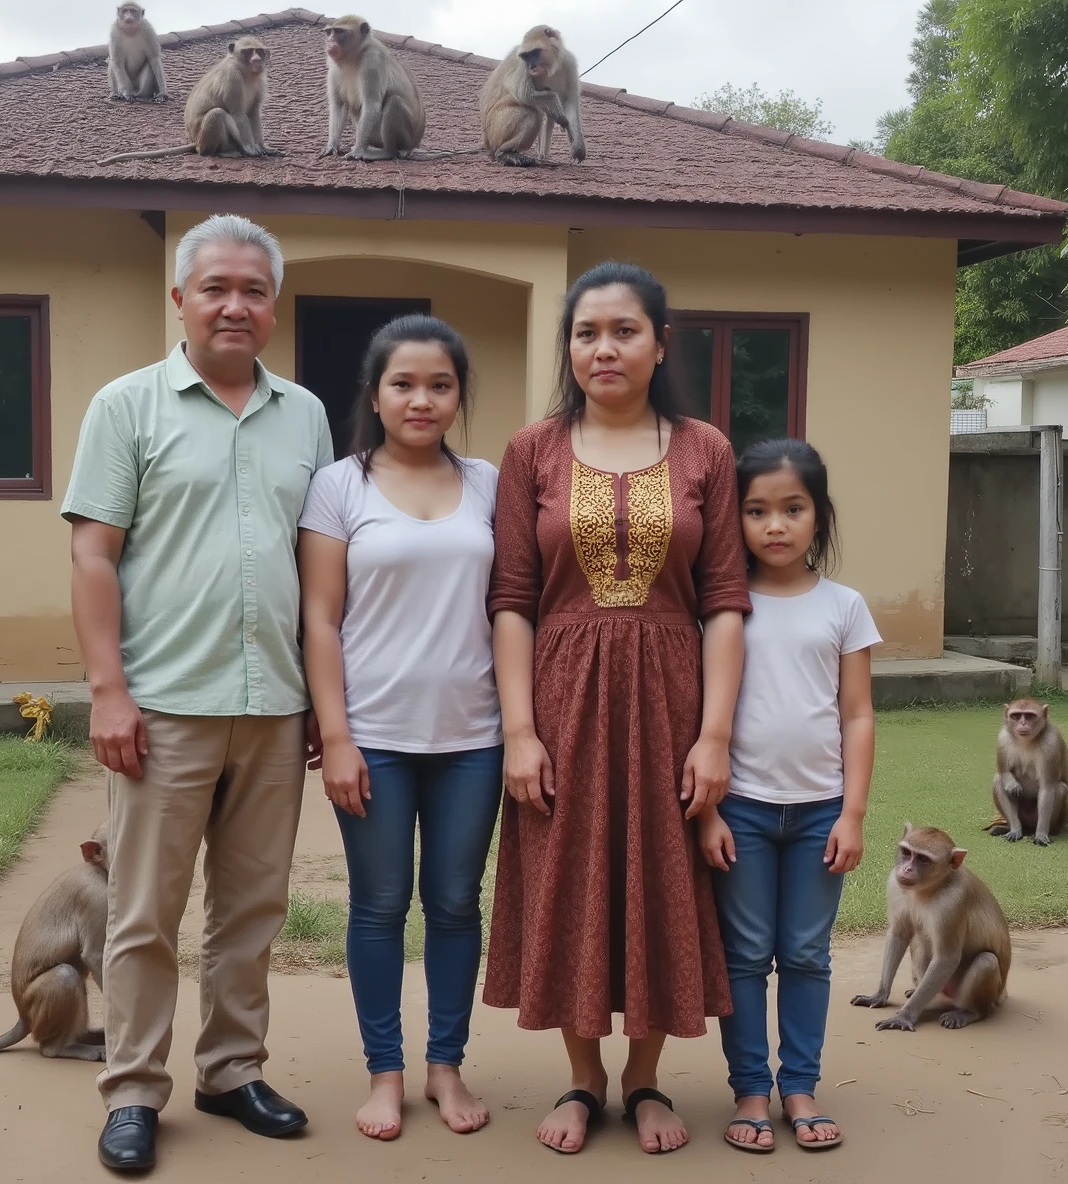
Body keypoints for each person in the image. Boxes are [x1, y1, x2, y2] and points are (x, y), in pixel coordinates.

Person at [62, 214, 333, 1174]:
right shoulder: (125, 408)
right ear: (179, 298)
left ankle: (230, 1070)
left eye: (253, 290)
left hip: (274, 709)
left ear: (273, 306)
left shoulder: (305, 414)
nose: (235, 304)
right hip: (162, 707)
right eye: (215, 286)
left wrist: (317, 702)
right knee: (143, 912)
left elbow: (318, 566)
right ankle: (134, 1088)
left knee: (252, 910)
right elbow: (93, 553)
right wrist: (108, 691)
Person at [485, 262, 749, 1156]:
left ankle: (643, 1080)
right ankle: (581, 1078)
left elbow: (724, 602)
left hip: (673, 698)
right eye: (587, 332)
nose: (605, 348)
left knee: (662, 876)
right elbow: (513, 598)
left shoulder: (706, 447)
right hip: (561, 697)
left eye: (625, 330)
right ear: (569, 346)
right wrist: (519, 733)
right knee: (570, 875)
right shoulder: (534, 450)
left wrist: (714, 737)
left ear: (661, 343)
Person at [298, 316, 503, 1142]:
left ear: (458, 395)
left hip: (474, 738)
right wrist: (336, 736)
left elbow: (512, 607)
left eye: (440, 384)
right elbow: (319, 619)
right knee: (379, 906)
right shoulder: (339, 486)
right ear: (375, 396)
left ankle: (444, 1066)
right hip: (374, 735)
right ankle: (384, 1072)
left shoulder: (491, 482)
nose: (422, 399)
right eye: (404, 384)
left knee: (455, 903)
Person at [699, 437, 877, 1155]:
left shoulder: (845, 606)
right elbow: (699, 717)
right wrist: (707, 809)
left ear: (819, 516)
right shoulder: (721, 608)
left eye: (793, 508)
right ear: (733, 519)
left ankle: (799, 1085)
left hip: (818, 815)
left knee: (805, 954)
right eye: (756, 510)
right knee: (743, 954)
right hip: (738, 807)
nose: (775, 525)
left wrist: (854, 813)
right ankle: (749, 1088)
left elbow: (857, 713)